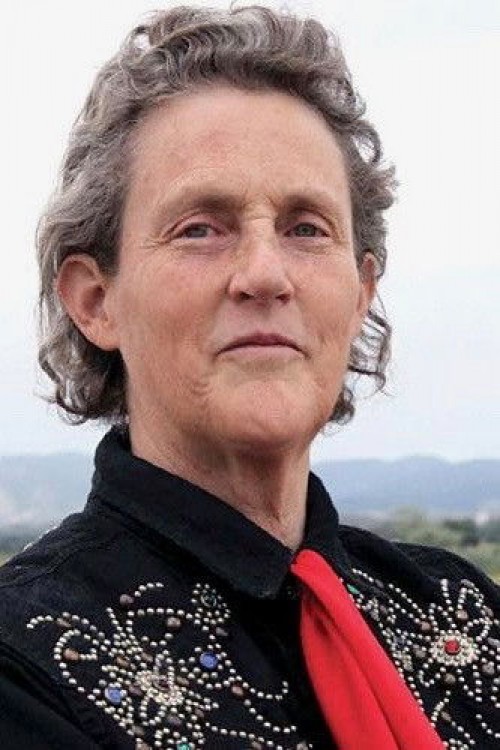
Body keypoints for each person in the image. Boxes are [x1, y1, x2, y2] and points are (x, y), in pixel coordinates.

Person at [0, 4, 498, 749]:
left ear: (359, 295)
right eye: (200, 228)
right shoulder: (23, 666)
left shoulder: (465, 619)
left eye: (306, 228)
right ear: (96, 301)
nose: (265, 274)